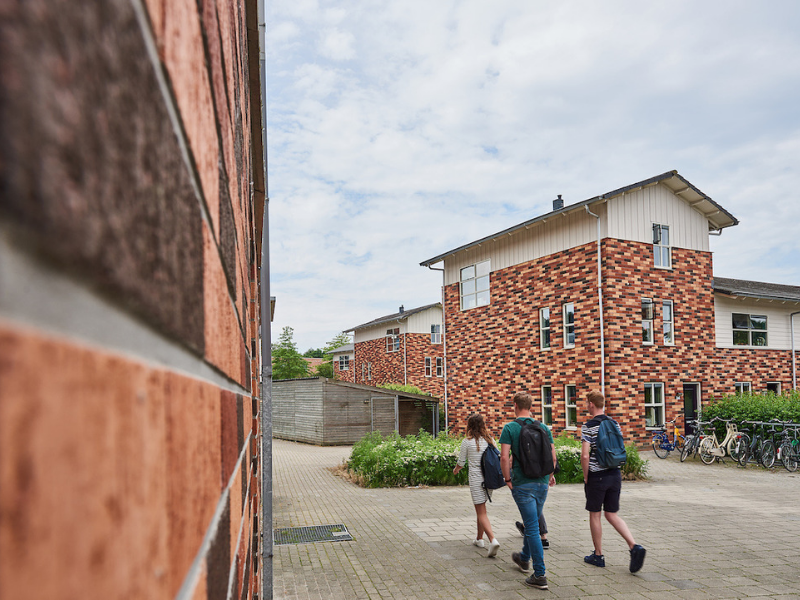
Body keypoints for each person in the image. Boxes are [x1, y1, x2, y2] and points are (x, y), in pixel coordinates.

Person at [580, 390, 646, 573]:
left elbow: (585, 455)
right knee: (611, 514)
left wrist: (586, 477)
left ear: (592, 404)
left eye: (587, 403)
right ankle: (634, 546)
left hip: (597, 476)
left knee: (595, 514)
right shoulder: (615, 423)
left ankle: (598, 555)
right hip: (615, 474)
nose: (586, 406)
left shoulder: (588, 426)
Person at [499, 392, 556, 590]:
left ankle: (540, 574)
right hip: (542, 483)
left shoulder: (510, 428)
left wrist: (507, 479)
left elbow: (504, 458)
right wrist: (549, 475)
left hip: (522, 484)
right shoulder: (543, 427)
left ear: (515, 405)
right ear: (531, 406)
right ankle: (524, 558)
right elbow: (552, 456)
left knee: (532, 528)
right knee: (533, 522)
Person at [453, 413, 501, 557]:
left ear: (469, 426)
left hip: (476, 480)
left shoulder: (467, 442)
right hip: (489, 479)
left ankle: (492, 540)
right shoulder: (490, 440)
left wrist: (455, 470)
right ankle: (479, 539)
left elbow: (461, 463)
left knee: (481, 512)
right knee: (481, 509)